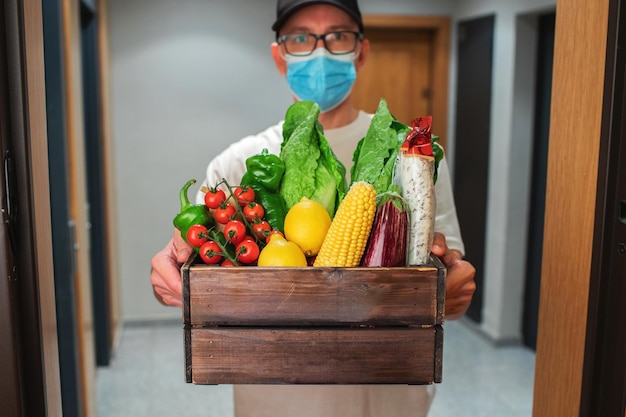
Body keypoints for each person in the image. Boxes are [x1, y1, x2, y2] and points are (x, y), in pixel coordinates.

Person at [151, 0, 476, 415]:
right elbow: (188, 263)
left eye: (338, 37)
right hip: (275, 396)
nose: (320, 53)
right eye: (301, 38)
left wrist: (452, 283)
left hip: (387, 392)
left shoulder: (410, 158)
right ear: (279, 56)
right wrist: (167, 278)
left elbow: (450, 272)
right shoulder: (235, 163)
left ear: (362, 51)